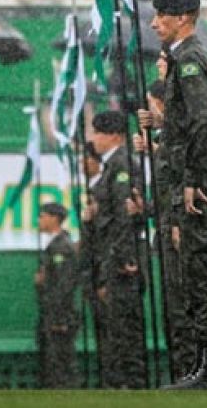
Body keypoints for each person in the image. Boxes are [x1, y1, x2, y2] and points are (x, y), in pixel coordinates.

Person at [149, 0, 207, 389]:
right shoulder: (182, 59)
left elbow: (203, 119)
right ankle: (205, 364)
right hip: (198, 174)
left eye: (161, 15)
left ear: (182, 17)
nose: (154, 23)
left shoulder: (190, 60)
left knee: (203, 270)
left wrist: (191, 179)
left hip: (201, 178)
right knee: (196, 271)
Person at [84, 109, 146, 389]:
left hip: (121, 255)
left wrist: (125, 256)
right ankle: (124, 380)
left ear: (114, 136)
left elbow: (125, 215)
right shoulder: (112, 167)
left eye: (98, 133)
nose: (93, 138)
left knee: (125, 323)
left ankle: (133, 381)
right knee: (118, 322)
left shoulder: (121, 165)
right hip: (112, 252)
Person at [34, 202, 80, 388]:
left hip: (60, 314)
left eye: (42, 215)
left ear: (54, 218)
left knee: (60, 362)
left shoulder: (61, 247)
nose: (39, 220)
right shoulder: (54, 245)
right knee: (52, 361)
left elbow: (64, 284)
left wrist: (59, 318)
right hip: (51, 312)